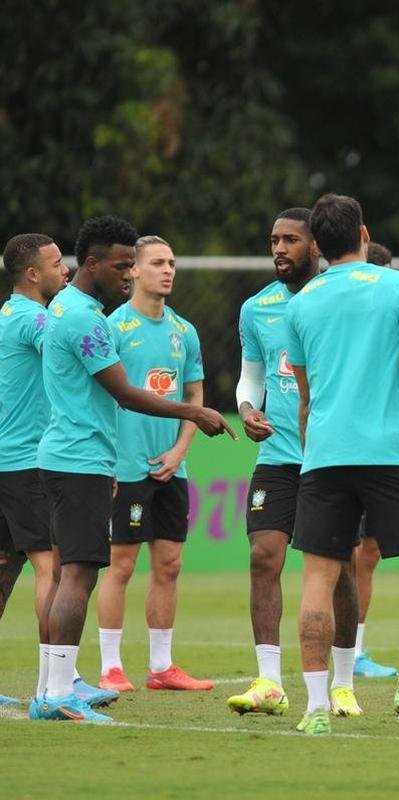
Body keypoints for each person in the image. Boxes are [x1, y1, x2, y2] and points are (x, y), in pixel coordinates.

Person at [33, 215, 233, 723]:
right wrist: (194, 412)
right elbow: (123, 392)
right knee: (79, 574)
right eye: (124, 265)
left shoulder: (75, 310)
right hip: (79, 459)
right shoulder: (87, 319)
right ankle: (58, 692)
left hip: (80, 457)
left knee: (79, 572)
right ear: (93, 263)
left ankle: (60, 685)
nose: (129, 274)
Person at [285, 194, 399, 736]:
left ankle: (316, 708)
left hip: (324, 455)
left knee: (318, 577)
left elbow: (305, 396)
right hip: (386, 451)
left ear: (316, 245)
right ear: (364, 233)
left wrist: (312, 453)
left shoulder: (301, 302)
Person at [226, 208, 362, 718]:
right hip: (278, 454)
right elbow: (250, 377)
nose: (279, 248)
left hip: (331, 455)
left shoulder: (338, 297)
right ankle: (268, 680)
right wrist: (246, 409)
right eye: (274, 240)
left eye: (291, 239)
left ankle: (344, 682)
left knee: (340, 568)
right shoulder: (256, 308)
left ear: (316, 245)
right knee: (264, 554)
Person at [91, 235, 211, 693]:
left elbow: (194, 397)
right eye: (158, 263)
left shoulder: (185, 331)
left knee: (170, 564)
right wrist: (113, 462)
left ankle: (161, 667)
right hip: (126, 468)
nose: (168, 271)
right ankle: (111, 668)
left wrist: (181, 450)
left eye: (173, 263)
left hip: (171, 468)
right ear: (134, 271)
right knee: (120, 565)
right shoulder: (113, 328)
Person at [0, 233, 69, 707]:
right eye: (57, 263)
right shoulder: (35, 319)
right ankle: (52, 687)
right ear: (32, 274)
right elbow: (70, 353)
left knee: (5, 568)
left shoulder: (8, 313)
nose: (64, 270)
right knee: (53, 567)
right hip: (27, 461)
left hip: (7, 459)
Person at [347, 239, 399, 679]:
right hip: (342, 448)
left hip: (382, 447)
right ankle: (339, 650)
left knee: (370, 552)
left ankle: (356, 649)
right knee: (337, 556)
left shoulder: (393, 309)